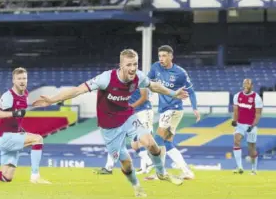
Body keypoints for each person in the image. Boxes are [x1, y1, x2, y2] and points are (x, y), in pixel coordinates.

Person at [33, 49, 187, 197]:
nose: (133, 68)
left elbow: (153, 85)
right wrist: (52, 100)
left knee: (150, 143)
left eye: (135, 64)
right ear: (121, 66)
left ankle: (161, 173)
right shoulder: (105, 79)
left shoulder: (138, 77)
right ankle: (136, 186)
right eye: (129, 65)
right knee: (126, 163)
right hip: (109, 127)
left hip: (127, 117)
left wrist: (174, 93)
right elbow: (78, 90)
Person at [145, 45, 198, 180]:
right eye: (159, 56)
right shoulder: (156, 67)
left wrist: (195, 108)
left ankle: (160, 172)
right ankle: (185, 172)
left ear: (171, 56)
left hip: (174, 109)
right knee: (167, 143)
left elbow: (190, 91)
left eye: (164, 56)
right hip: (163, 110)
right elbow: (146, 82)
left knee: (157, 139)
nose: (161, 59)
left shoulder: (180, 73)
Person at [95, 88, 153, 175]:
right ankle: (108, 167)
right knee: (122, 141)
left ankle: (148, 164)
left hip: (143, 112)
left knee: (142, 140)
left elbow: (147, 94)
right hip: (130, 114)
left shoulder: (139, 80)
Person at [231, 78, 263, 175]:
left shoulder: (256, 98)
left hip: (251, 125)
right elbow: (236, 110)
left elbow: (258, 114)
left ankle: (254, 169)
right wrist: (234, 120)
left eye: (248, 83)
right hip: (240, 124)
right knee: (236, 140)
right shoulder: (237, 96)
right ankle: (240, 167)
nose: (245, 85)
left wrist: (253, 125)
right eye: (244, 83)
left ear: (252, 86)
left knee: (251, 149)